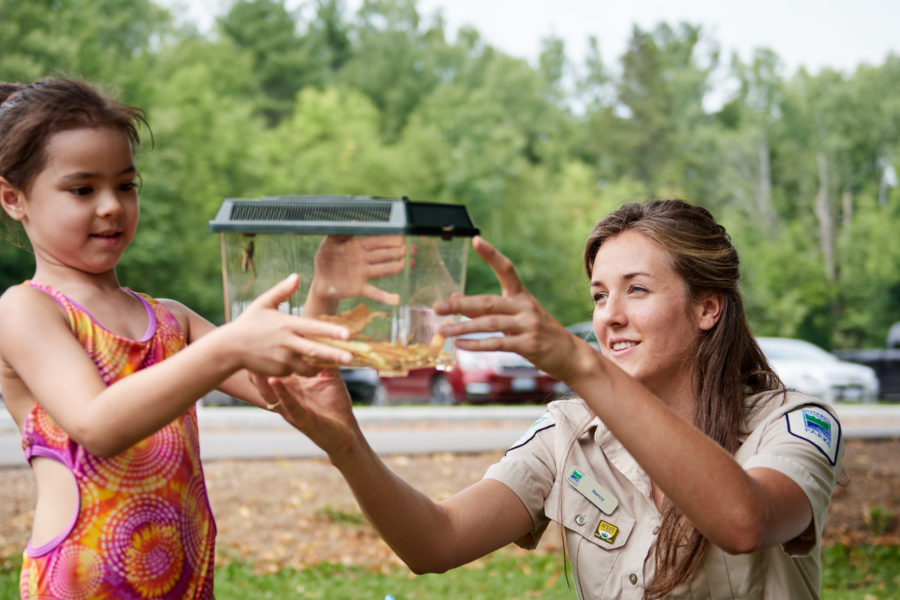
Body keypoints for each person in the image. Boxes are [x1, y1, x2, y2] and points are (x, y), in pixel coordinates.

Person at [256, 199, 845, 599]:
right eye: (598, 295)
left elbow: (745, 522)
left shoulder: (795, 424)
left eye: (637, 290)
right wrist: (345, 443)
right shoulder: (569, 433)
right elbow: (434, 542)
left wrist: (578, 364)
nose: (610, 316)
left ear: (707, 308)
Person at [0, 77, 355, 599]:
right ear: (13, 198)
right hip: (77, 587)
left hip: (185, 582)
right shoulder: (26, 310)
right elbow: (98, 424)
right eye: (82, 189)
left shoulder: (171, 320)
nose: (111, 206)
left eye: (125, 185)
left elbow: (286, 386)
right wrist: (226, 346)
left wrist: (326, 287)